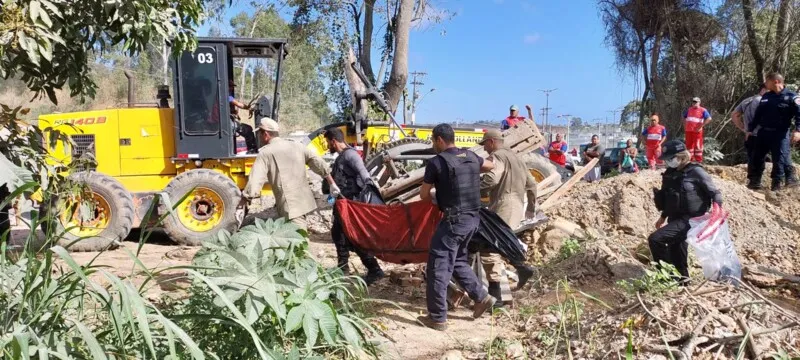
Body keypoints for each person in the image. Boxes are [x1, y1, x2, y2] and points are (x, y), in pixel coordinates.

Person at [417, 123, 497, 331]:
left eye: (434, 141)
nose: (434, 145)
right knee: (459, 260)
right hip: (473, 219)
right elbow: (490, 166)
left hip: (453, 221)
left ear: (439, 140)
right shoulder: (470, 156)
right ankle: (481, 297)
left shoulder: (437, 163)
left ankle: (437, 317)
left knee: (438, 266)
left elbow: (423, 195)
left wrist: (437, 194)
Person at [242, 117, 339, 231]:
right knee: (296, 235)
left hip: (290, 204)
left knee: (299, 241)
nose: (258, 137)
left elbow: (255, 181)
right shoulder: (297, 145)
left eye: (259, 133)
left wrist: (243, 201)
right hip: (304, 200)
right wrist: (332, 183)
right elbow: (319, 164)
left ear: (266, 134)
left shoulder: (266, 153)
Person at [478, 129, 538, 308]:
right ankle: (521, 269)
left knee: (490, 247)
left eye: (485, 146)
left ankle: (497, 298)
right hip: (517, 204)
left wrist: (473, 191)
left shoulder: (497, 157)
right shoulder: (517, 158)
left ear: (490, 142)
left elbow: (491, 179)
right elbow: (532, 184)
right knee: (501, 243)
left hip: (505, 203)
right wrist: (531, 207)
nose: (486, 150)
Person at [650, 140, 723, 282]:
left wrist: (716, 211)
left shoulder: (696, 171)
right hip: (674, 218)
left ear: (681, 156)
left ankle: (666, 279)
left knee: (655, 239)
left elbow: (715, 193)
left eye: (670, 159)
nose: (668, 162)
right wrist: (662, 216)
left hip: (692, 220)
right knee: (676, 251)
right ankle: (682, 282)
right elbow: (668, 197)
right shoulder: (670, 174)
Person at [324, 128, 385, 285]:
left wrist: (367, 198)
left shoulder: (350, 155)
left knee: (351, 237)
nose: (327, 146)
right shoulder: (341, 157)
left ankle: (372, 270)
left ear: (333, 141)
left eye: (328, 142)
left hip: (351, 205)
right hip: (342, 204)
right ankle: (345, 269)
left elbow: (364, 174)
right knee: (340, 235)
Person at [747, 72, 800, 191]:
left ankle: (776, 186)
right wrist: (750, 129)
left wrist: (798, 130)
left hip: (780, 134)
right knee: (757, 157)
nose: (765, 83)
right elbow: (758, 115)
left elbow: (799, 115)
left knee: (779, 160)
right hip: (763, 132)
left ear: (775, 82)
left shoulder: (792, 97)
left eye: (767, 81)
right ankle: (754, 182)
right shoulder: (766, 96)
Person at [228, 80, 258, 153]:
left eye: (232, 86)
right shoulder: (226, 95)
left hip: (224, 121)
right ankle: (252, 150)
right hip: (225, 124)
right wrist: (248, 108)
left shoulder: (223, 96)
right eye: (230, 86)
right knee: (248, 129)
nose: (232, 88)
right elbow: (239, 104)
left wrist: (234, 112)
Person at [682, 97, 712, 162]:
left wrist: (701, 126)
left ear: (699, 103)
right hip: (689, 131)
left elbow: (709, 118)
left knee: (698, 146)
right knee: (689, 146)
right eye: (693, 102)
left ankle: (699, 161)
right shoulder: (689, 109)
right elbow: (684, 117)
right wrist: (685, 126)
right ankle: (690, 160)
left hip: (697, 131)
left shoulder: (703, 110)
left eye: (696, 102)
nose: (694, 103)